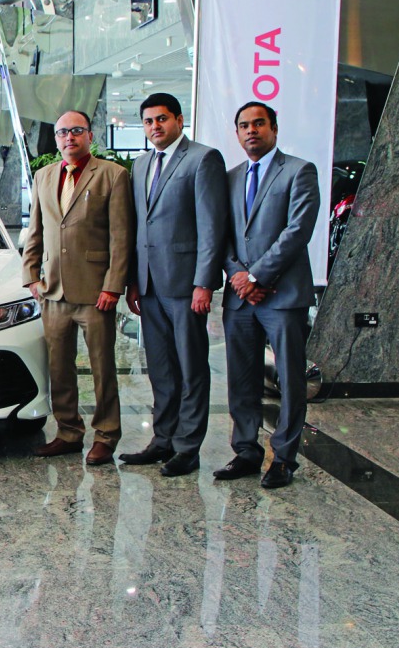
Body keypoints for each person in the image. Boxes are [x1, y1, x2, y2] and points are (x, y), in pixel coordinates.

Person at [121, 93, 228, 477]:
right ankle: (163, 439)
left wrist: (204, 283)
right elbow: (138, 226)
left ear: (179, 120)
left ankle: (187, 447)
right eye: (148, 122)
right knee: (161, 369)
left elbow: (212, 227)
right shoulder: (141, 163)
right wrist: (133, 281)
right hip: (149, 285)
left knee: (191, 367)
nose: (155, 128)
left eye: (162, 119)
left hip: (185, 286)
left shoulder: (202, 159)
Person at [216, 102, 319, 489]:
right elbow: (220, 234)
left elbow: (298, 230)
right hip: (240, 298)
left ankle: (284, 458)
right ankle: (246, 450)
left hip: (283, 296)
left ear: (274, 128)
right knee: (242, 378)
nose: (250, 131)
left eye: (258, 124)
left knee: (290, 379)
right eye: (243, 126)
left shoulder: (298, 171)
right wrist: (238, 274)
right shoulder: (229, 178)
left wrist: (257, 274)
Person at [22, 111, 133, 466]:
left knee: (102, 368)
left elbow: (121, 236)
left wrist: (113, 286)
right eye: (62, 132)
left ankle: (106, 435)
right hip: (53, 291)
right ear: (56, 139)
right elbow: (34, 230)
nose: (69, 137)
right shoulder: (43, 176)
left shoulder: (113, 175)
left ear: (89, 134)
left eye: (76, 131)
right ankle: (68, 432)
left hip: (95, 292)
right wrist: (31, 276)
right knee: (59, 369)